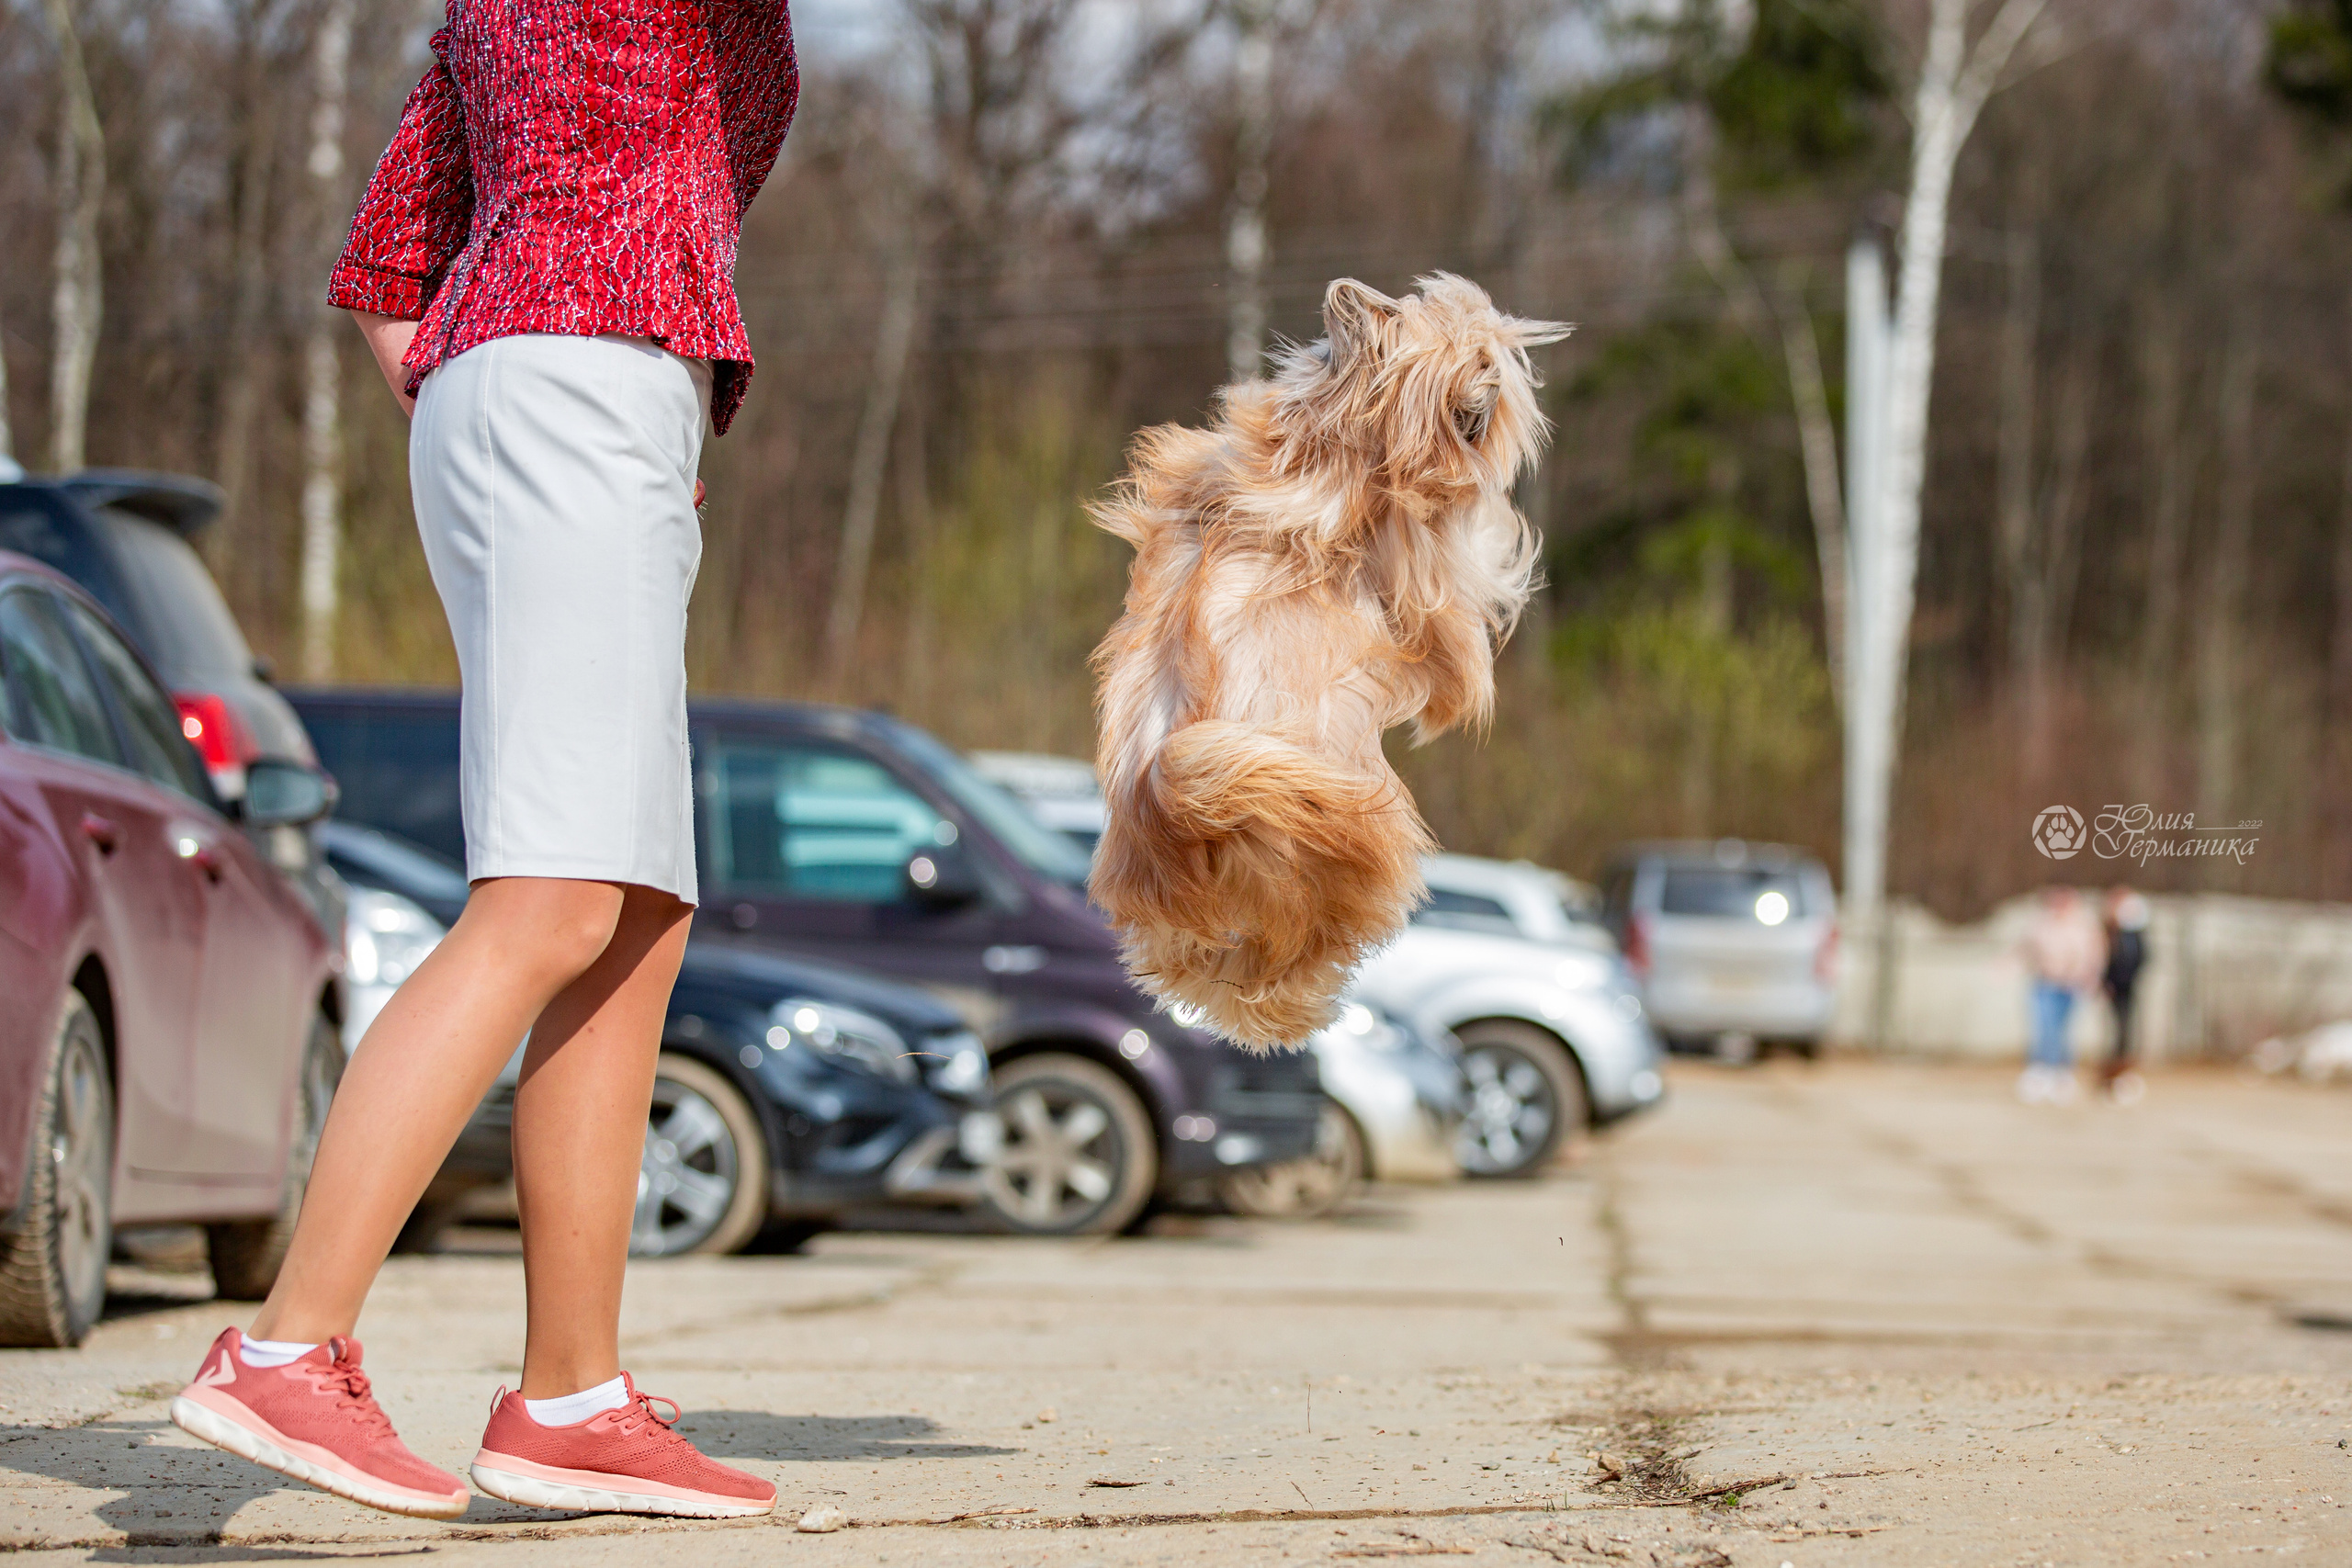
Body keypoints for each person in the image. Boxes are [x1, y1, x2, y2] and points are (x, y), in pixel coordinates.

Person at [167, 1, 799, 1520]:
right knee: (551, 901)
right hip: (577, 377)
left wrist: (503, 388)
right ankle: (287, 1345)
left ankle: (572, 1397)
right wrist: (558, 392)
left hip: (571, 382)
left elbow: (394, 262)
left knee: (632, 913)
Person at [2017, 885, 2105, 1105]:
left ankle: (2061, 1077)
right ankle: (2039, 1074)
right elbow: (2023, 949)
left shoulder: (2083, 926)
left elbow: (2094, 955)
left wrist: (2090, 979)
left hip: (2071, 986)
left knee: (2064, 1031)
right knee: (2044, 1028)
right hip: (2045, 983)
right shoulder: (2040, 924)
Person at [2099, 887, 2152, 1101]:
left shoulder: (2136, 932)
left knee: (2129, 1031)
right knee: (2116, 1032)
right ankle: (2111, 1075)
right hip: (2113, 988)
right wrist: (2107, 983)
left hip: (2130, 987)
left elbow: (2144, 957)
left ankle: (2125, 1070)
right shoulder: (2108, 931)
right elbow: (2104, 960)